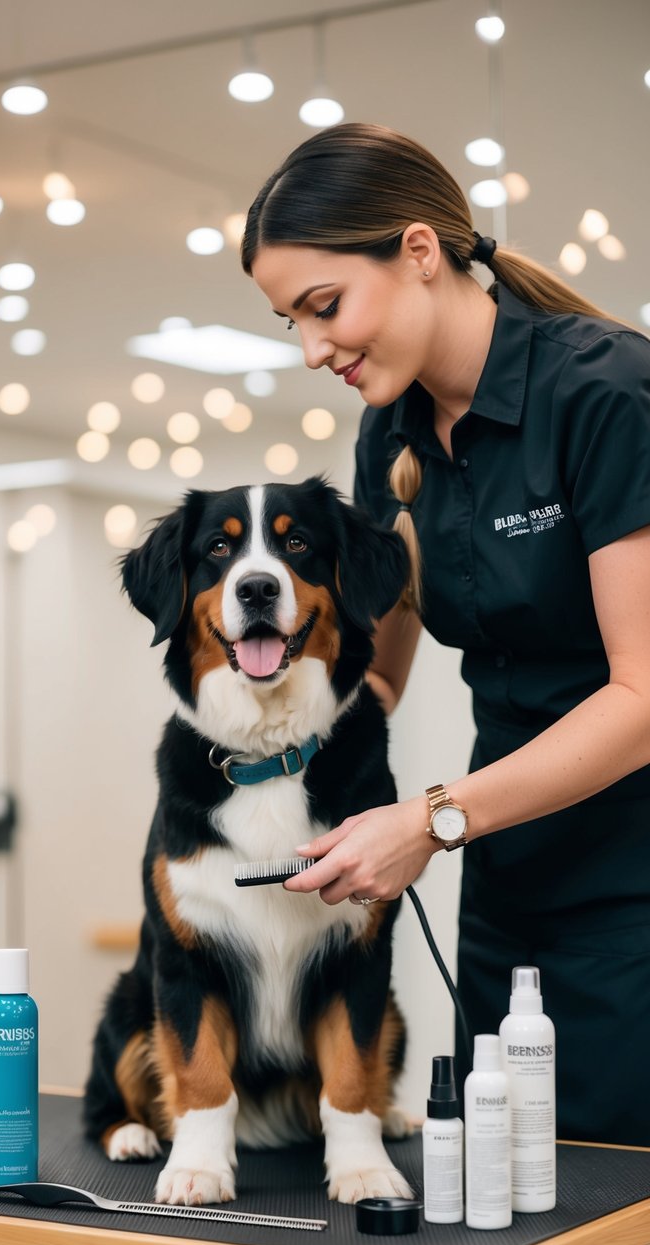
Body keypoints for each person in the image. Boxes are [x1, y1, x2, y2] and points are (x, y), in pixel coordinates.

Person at [241, 123, 650, 1146]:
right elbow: (377, 664)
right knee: (499, 1194)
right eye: (292, 321)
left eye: (324, 307)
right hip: (507, 878)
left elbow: (641, 701)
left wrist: (431, 819)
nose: (314, 349)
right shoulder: (394, 429)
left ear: (419, 250)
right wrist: (279, 758)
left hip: (634, 890)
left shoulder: (603, 395)